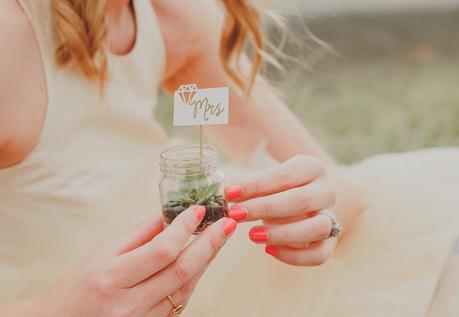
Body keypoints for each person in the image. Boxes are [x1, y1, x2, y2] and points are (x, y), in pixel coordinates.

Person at [0, 0, 458, 316]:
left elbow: (331, 184)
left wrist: (320, 215)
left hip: (212, 264)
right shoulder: (11, 38)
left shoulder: (165, 17)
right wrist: (55, 310)